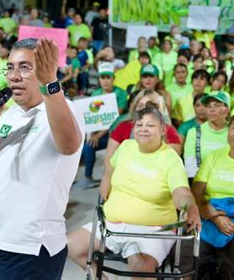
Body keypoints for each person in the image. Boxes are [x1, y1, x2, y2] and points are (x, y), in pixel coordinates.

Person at [0, 38, 85, 279]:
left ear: (46, 69)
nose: (14, 76)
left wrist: (51, 84)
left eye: (25, 67)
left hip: (31, 247)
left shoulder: (65, 109)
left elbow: (69, 145)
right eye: (10, 67)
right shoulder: (10, 115)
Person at [68, 105, 201, 277]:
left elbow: (181, 192)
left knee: (140, 267)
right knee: (71, 245)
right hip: (112, 225)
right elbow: (110, 170)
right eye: (139, 125)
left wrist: (190, 206)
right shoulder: (126, 147)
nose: (143, 129)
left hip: (152, 230)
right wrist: (105, 187)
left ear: (162, 130)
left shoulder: (170, 159)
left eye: (150, 125)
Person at [181, 113, 234, 280]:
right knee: (188, 258)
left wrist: (216, 213)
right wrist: (212, 216)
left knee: (231, 266)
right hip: (209, 220)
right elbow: (197, 191)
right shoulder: (214, 157)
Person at [73, 62, 128, 190]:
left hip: (117, 134)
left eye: (108, 77)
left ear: (113, 78)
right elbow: (93, 119)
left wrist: (97, 135)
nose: (105, 81)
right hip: (102, 134)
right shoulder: (95, 94)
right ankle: (87, 177)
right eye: (102, 77)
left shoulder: (121, 94)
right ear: (99, 79)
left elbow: (114, 117)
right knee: (89, 146)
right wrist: (92, 135)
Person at [183, 91, 230, 180]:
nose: (212, 110)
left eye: (217, 105)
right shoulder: (194, 132)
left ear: (227, 109)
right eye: (208, 106)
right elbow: (190, 168)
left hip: (227, 181)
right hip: (200, 183)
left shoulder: (233, 133)